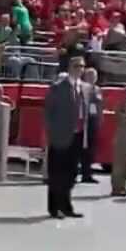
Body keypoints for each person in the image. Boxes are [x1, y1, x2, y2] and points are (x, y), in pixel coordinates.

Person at [43, 53, 89, 219]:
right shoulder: (58, 87)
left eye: (82, 67)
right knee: (57, 174)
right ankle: (54, 208)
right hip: (60, 137)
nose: (80, 70)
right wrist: (52, 133)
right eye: (77, 66)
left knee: (71, 174)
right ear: (69, 68)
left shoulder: (84, 88)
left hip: (77, 135)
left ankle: (67, 206)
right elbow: (48, 112)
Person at [78, 67, 103, 184]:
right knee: (80, 148)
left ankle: (87, 174)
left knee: (90, 149)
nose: (92, 78)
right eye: (90, 76)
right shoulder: (81, 88)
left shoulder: (97, 89)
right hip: (83, 121)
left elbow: (99, 105)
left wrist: (100, 119)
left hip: (93, 121)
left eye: (94, 76)